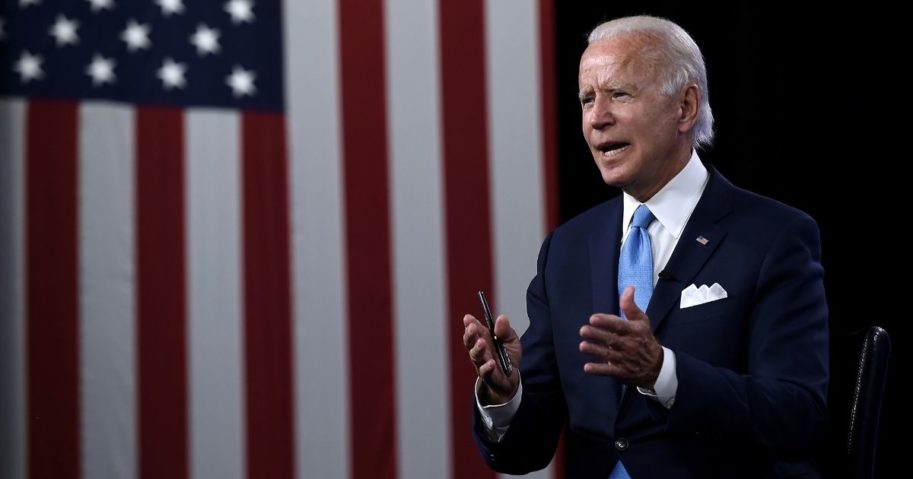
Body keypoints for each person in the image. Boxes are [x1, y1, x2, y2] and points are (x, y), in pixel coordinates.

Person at [462, 15, 828, 479]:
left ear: (685, 107)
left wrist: (662, 372)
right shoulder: (567, 250)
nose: (597, 118)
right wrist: (506, 394)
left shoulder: (774, 237)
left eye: (619, 94)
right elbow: (524, 452)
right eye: (587, 99)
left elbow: (798, 419)